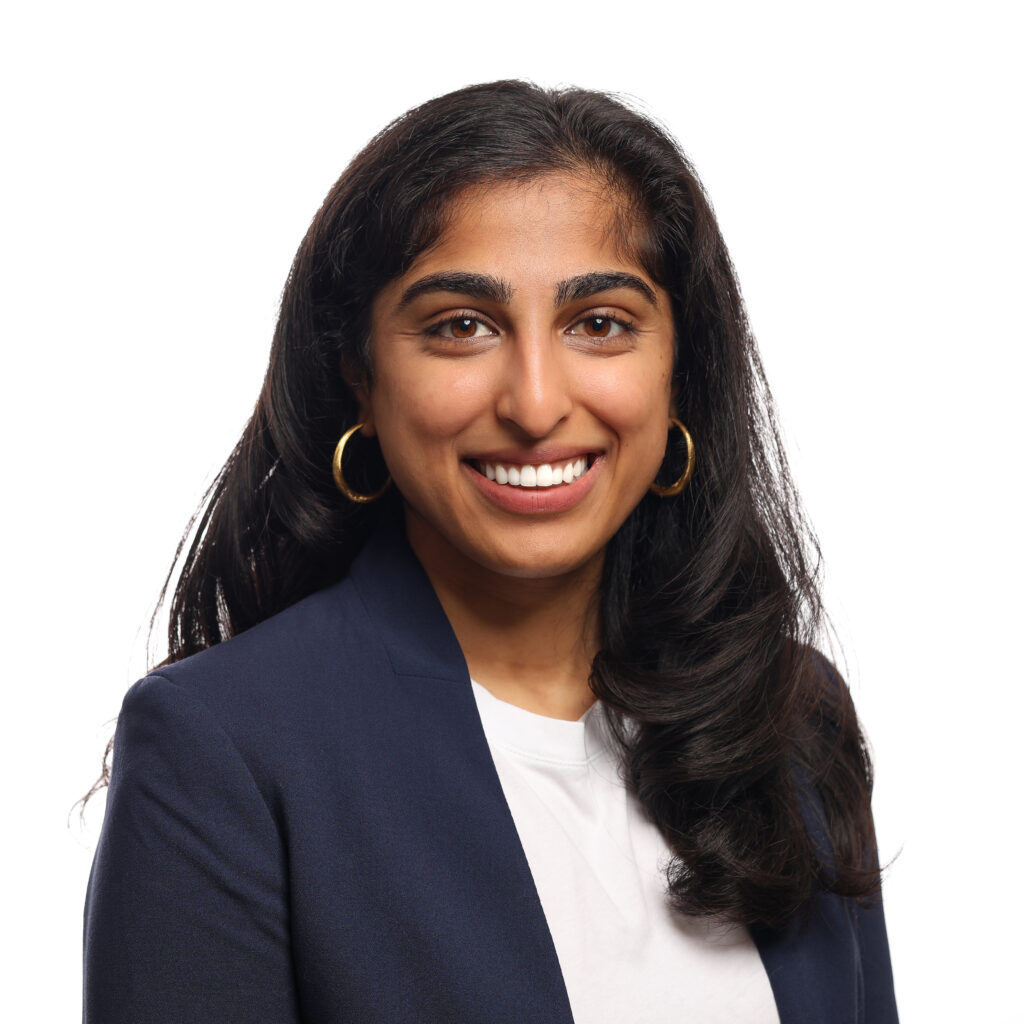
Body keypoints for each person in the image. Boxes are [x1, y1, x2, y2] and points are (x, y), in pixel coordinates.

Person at [82, 80, 897, 1023]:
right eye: (461, 326)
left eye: (600, 323)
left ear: (679, 370)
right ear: (361, 373)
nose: (536, 403)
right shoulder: (226, 747)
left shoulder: (790, 712)